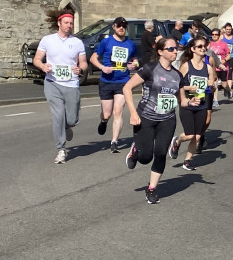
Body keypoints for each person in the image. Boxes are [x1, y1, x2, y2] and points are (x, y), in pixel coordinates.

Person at [124, 37, 199, 204]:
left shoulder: (178, 75)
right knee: (145, 158)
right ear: (160, 52)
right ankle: (136, 150)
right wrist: (132, 113)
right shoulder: (150, 69)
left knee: (160, 154)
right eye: (171, 49)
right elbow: (127, 88)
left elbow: (182, 100)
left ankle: (151, 189)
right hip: (146, 117)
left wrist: (190, 102)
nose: (175, 52)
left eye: (176, 49)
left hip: (167, 119)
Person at [32, 8, 87, 164]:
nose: (69, 25)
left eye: (71, 23)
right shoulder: (47, 40)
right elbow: (37, 59)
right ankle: (61, 149)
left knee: (71, 119)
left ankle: (67, 126)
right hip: (52, 83)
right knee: (57, 116)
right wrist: (43, 67)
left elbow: (83, 63)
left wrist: (80, 69)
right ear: (59, 23)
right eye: (66, 23)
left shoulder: (77, 43)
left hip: (71, 85)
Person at [91, 16, 139, 153]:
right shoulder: (106, 42)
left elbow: (135, 59)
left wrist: (134, 64)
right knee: (107, 114)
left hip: (123, 82)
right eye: (119, 25)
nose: (122, 28)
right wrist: (102, 68)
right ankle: (104, 122)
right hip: (106, 81)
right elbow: (93, 58)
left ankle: (114, 142)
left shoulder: (130, 44)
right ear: (114, 27)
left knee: (118, 111)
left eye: (124, 25)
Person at [169, 38, 216, 171]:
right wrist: (190, 88)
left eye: (204, 46)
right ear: (193, 49)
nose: (203, 48)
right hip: (187, 104)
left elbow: (212, 86)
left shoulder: (208, 68)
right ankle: (177, 141)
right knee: (190, 135)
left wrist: (211, 86)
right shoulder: (186, 66)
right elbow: (177, 84)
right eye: (199, 46)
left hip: (201, 103)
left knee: (198, 135)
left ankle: (187, 161)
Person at [207, 28, 231, 108]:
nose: (214, 36)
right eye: (212, 34)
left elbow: (229, 55)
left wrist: (224, 60)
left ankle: (227, 89)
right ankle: (215, 100)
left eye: (216, 34)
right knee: (215, 84)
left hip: (223, 67)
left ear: (219, 35)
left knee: (224, 84)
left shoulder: (223, 44)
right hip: (213, 68)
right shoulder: (209, 44)